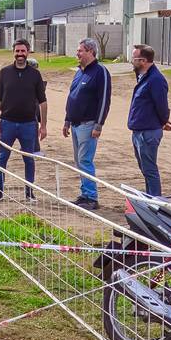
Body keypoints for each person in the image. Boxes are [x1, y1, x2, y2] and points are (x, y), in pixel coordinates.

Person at [0, 39, 47, 202]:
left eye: (23, 51)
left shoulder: (35, 75)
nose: (20, 54)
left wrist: (43, 126)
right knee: (2, 158)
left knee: (29, 159)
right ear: (13, 52)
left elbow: (43, 102)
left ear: (28, 52)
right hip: (7, 123)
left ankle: (29, 193)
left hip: (29, 125)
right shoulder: (4, 73)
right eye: (17, 51)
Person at [62, 38, 111, 211]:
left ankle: (91, 197)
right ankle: (84, 194)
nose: (77, 53)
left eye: (80, 51)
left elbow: (104, 100)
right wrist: (67, 120)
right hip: (75, 124)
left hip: (88, 125)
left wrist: (99, 125)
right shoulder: (79, 72)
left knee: (85, 160)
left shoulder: (100, 72)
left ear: (90, 51)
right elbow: (72, 97)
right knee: (79, 160)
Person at [127, 44, 171, 197]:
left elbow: (161, 105)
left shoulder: (155, 80)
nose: (132, 62)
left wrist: (164, 120)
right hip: (139, 131)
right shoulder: (143, 76)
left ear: (144, 61)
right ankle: (150, 197)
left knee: (150, 169)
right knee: (145, 168)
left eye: (134, 59)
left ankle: (155, 201)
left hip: (148, 132)